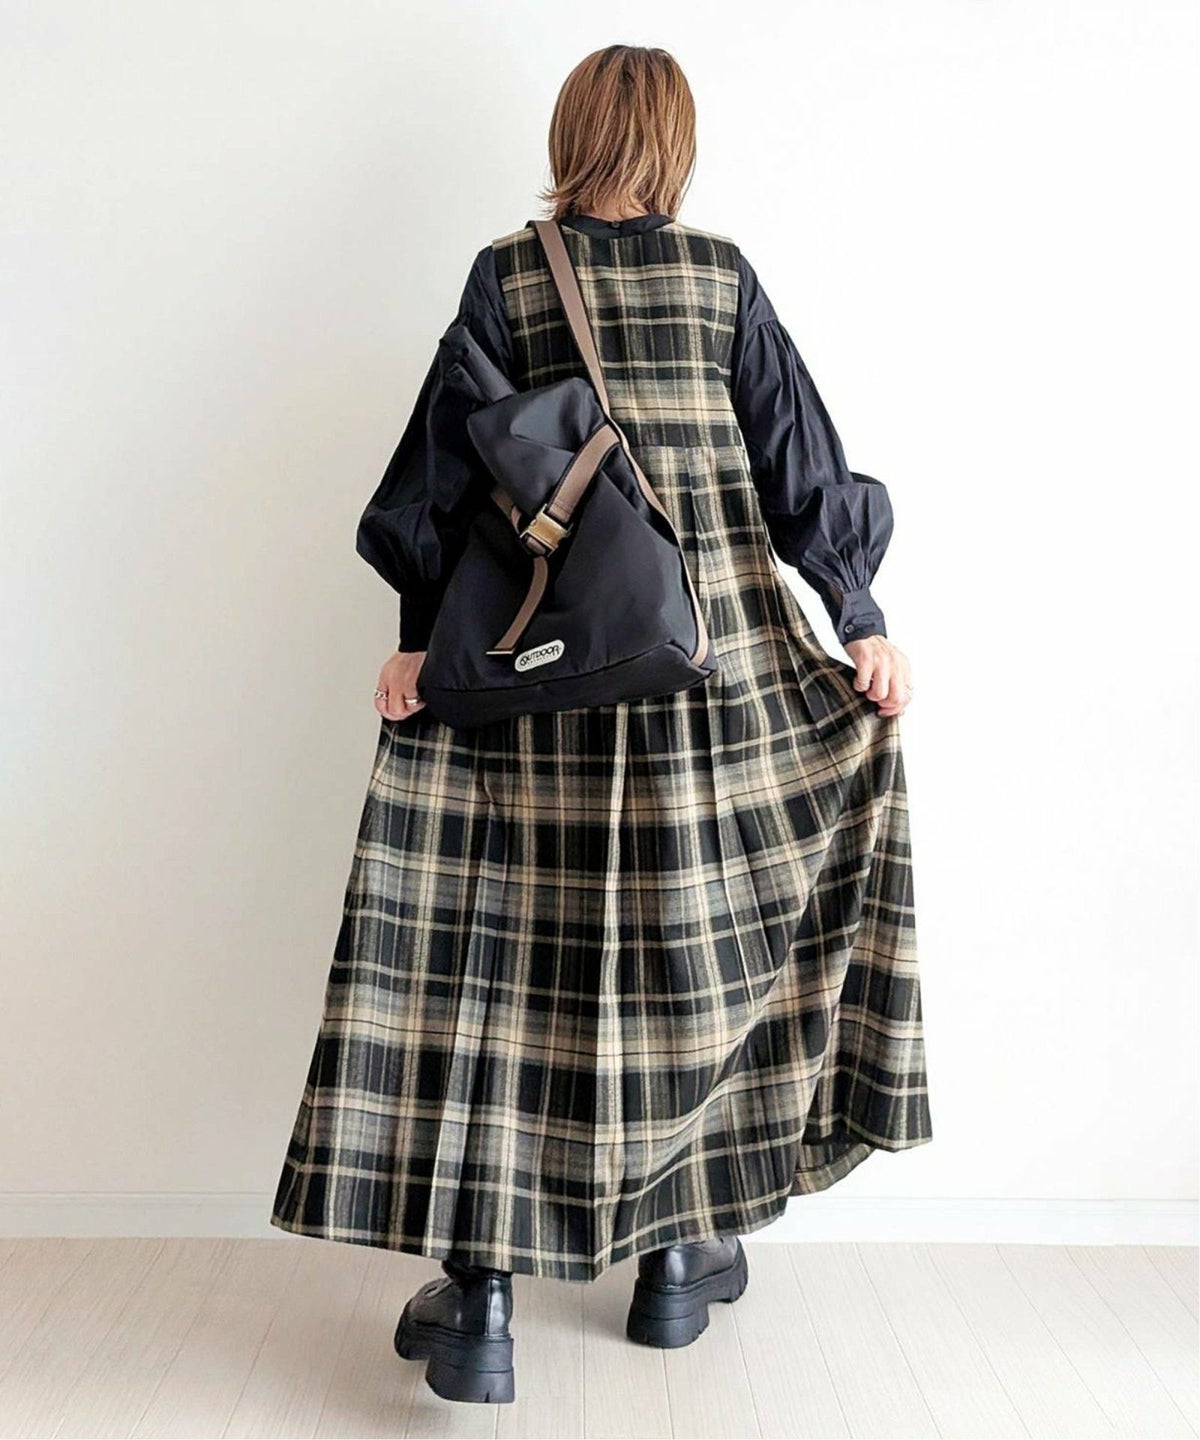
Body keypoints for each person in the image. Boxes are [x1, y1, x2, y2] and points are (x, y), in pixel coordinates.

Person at [270, 43, 933, 1406]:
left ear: (570, 134)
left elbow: (446, 473)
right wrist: (858, 618)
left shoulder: (507, 277)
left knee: (494, 977)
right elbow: (800, 463)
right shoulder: (722, 280)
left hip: (539, 693)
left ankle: (479, 1300)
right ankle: (678, 1260)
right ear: (674, 145)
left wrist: (417, 644)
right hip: (708, 683)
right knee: (695, 958)